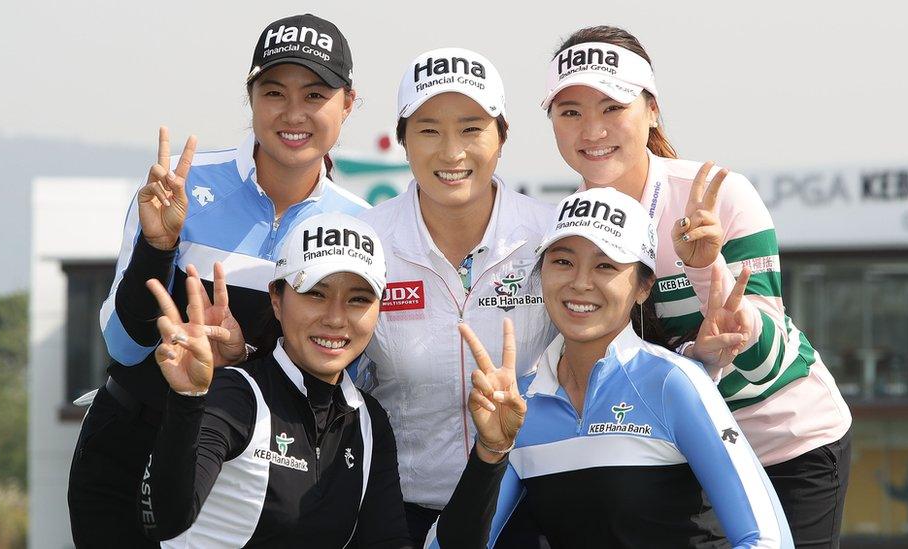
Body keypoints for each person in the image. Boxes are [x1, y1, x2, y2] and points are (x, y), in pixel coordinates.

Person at [539, 26, 852, 547]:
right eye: (570, 112)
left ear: (652, 109)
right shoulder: (566, 226)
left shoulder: (717, 195)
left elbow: (765, 360)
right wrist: (695, 354)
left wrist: (715, 285)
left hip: (788, 445)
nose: (591, 130)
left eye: (612, 107)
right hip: (679, 453)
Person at [67, 14, 369, 548]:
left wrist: (246, 354)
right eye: (274, 91)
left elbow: (344, 369)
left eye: (315, 94)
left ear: (347, 103)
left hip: (251, 469)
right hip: (129, 439)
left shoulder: (359, 223)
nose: (293, 113)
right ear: (250, 98)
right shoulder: (182, 186)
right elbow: (123, 342)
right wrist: (157, 246)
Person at [428, 187, 793, 548]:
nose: (581, 282)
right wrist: (490, 453)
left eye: (606, 265)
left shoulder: (673, 382)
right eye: (563, 261)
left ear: (643, 287)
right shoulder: (519, 403)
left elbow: (767, 538)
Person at [137, 212, 517, 548]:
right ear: (276, 299)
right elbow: (163, 521)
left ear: (378, 310)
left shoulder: (368, 420)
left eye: (357, 299)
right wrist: (188, 397)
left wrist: (489, 453)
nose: (335, 318)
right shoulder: (235, 393)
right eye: (315, 294)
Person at [356, 47, 556, 545]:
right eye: (428, 130)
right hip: (404, 513)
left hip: (537, 511)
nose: (451, 152)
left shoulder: (554, 237)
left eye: (471, 128)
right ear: (402, 140)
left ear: (502, 136)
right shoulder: (364, 244)